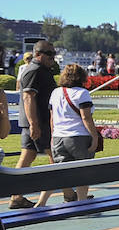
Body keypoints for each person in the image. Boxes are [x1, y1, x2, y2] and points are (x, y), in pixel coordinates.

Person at [39, 64, 103, 205]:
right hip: (78, 136)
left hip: (58, 136)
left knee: (61, 172)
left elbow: (52, 118)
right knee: (83, 172)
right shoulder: (82, 93)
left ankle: (42, 201)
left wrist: (53, 137)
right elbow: (86, 118)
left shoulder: (55, 92)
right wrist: (95, 137)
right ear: (82, 77)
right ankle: (81, 202)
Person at [9, 42, 58, 210]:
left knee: (28, 158)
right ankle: (69, 194)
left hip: (38, 122)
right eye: (50, 54)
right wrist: (33, 124)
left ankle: (16, 196)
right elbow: (28, 97)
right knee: (57, 160)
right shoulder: (34, 70)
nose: (53, 57)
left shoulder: (40, 70)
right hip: (39, 123)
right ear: (39, 54)